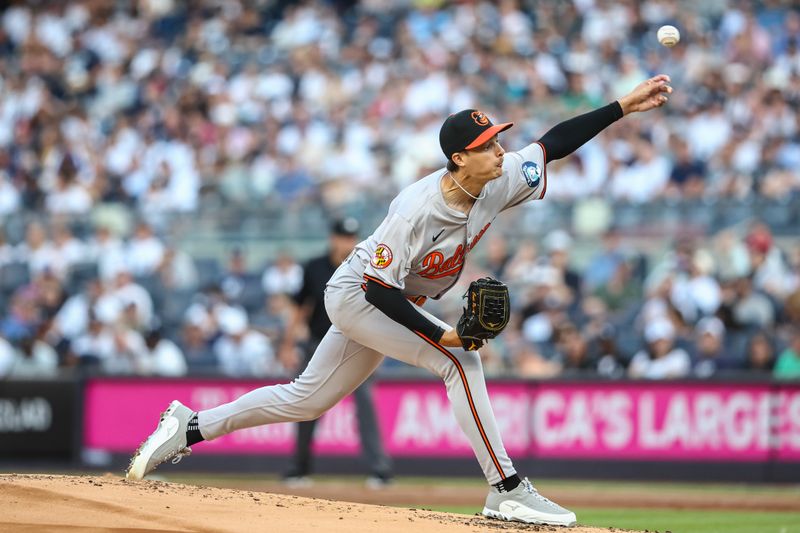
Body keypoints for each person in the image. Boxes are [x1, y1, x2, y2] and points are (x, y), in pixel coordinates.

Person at [126, 74, 673, 526]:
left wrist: (622, 106)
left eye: (499, 138)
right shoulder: (416, 208)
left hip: (390, 297)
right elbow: (375, 287)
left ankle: (189, 426)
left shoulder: (501, 178)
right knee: (460, 359)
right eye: (488, 146)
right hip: (360, 294)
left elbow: (553, 144)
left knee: (306, 400)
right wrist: (443, 335)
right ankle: (506, 488)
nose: (501, 149)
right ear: (460, 158)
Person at [277, 217, 393, 488]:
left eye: (351, 237)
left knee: (365, 407)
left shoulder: (367, 266)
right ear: (333, 238)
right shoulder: (315, 267)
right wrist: (287, 344)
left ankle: (380, 470)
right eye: (343, 237)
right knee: (304, 403)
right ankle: (298, 468)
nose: (347, 242)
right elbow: (299, 308)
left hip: (359, 344)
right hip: (318, 344)